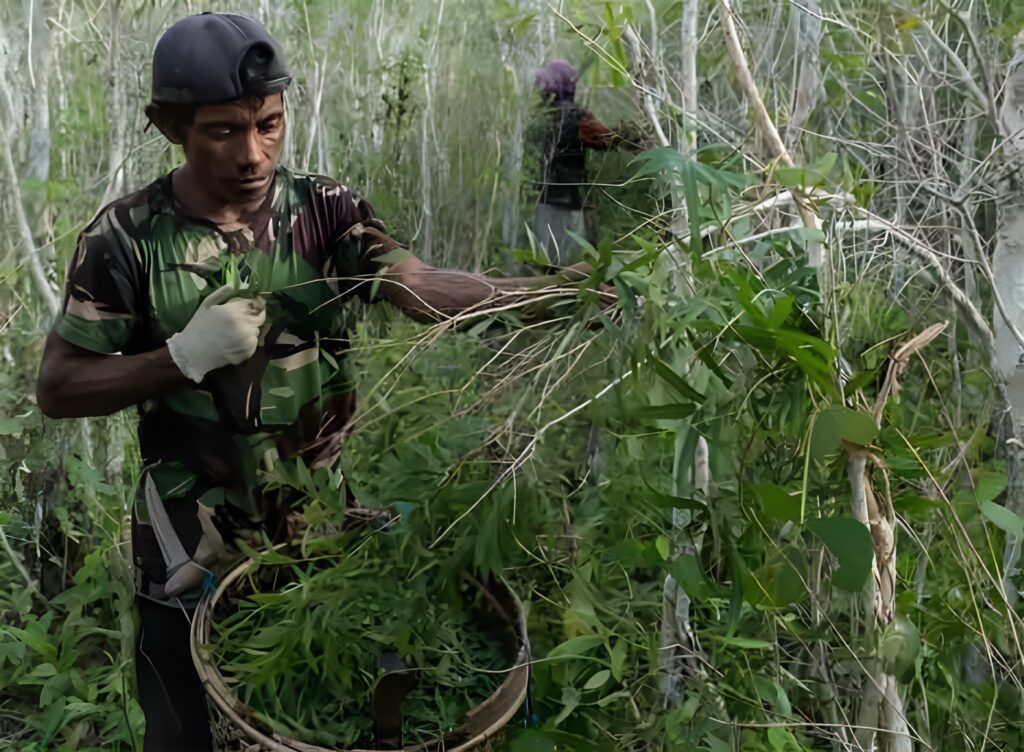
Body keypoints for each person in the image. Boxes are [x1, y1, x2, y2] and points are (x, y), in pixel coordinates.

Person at [35, 13, 602, 751]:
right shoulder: (128, 236)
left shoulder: (325, 211)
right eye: (222, 132)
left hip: (321, 537)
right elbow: (59, 386)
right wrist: (180, 357)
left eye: (268, 124)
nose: (252, 153)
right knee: (181, 731)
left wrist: (545, 296)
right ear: (168, 125)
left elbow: (418, 285)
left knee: (322, 712)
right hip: (189, 547)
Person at [532, 59, 617, 265]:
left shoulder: (540, 114)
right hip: (567, 203)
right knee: (569, 267)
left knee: (547, 264)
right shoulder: (575, 116)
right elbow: (607, 140)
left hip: (543, 202)